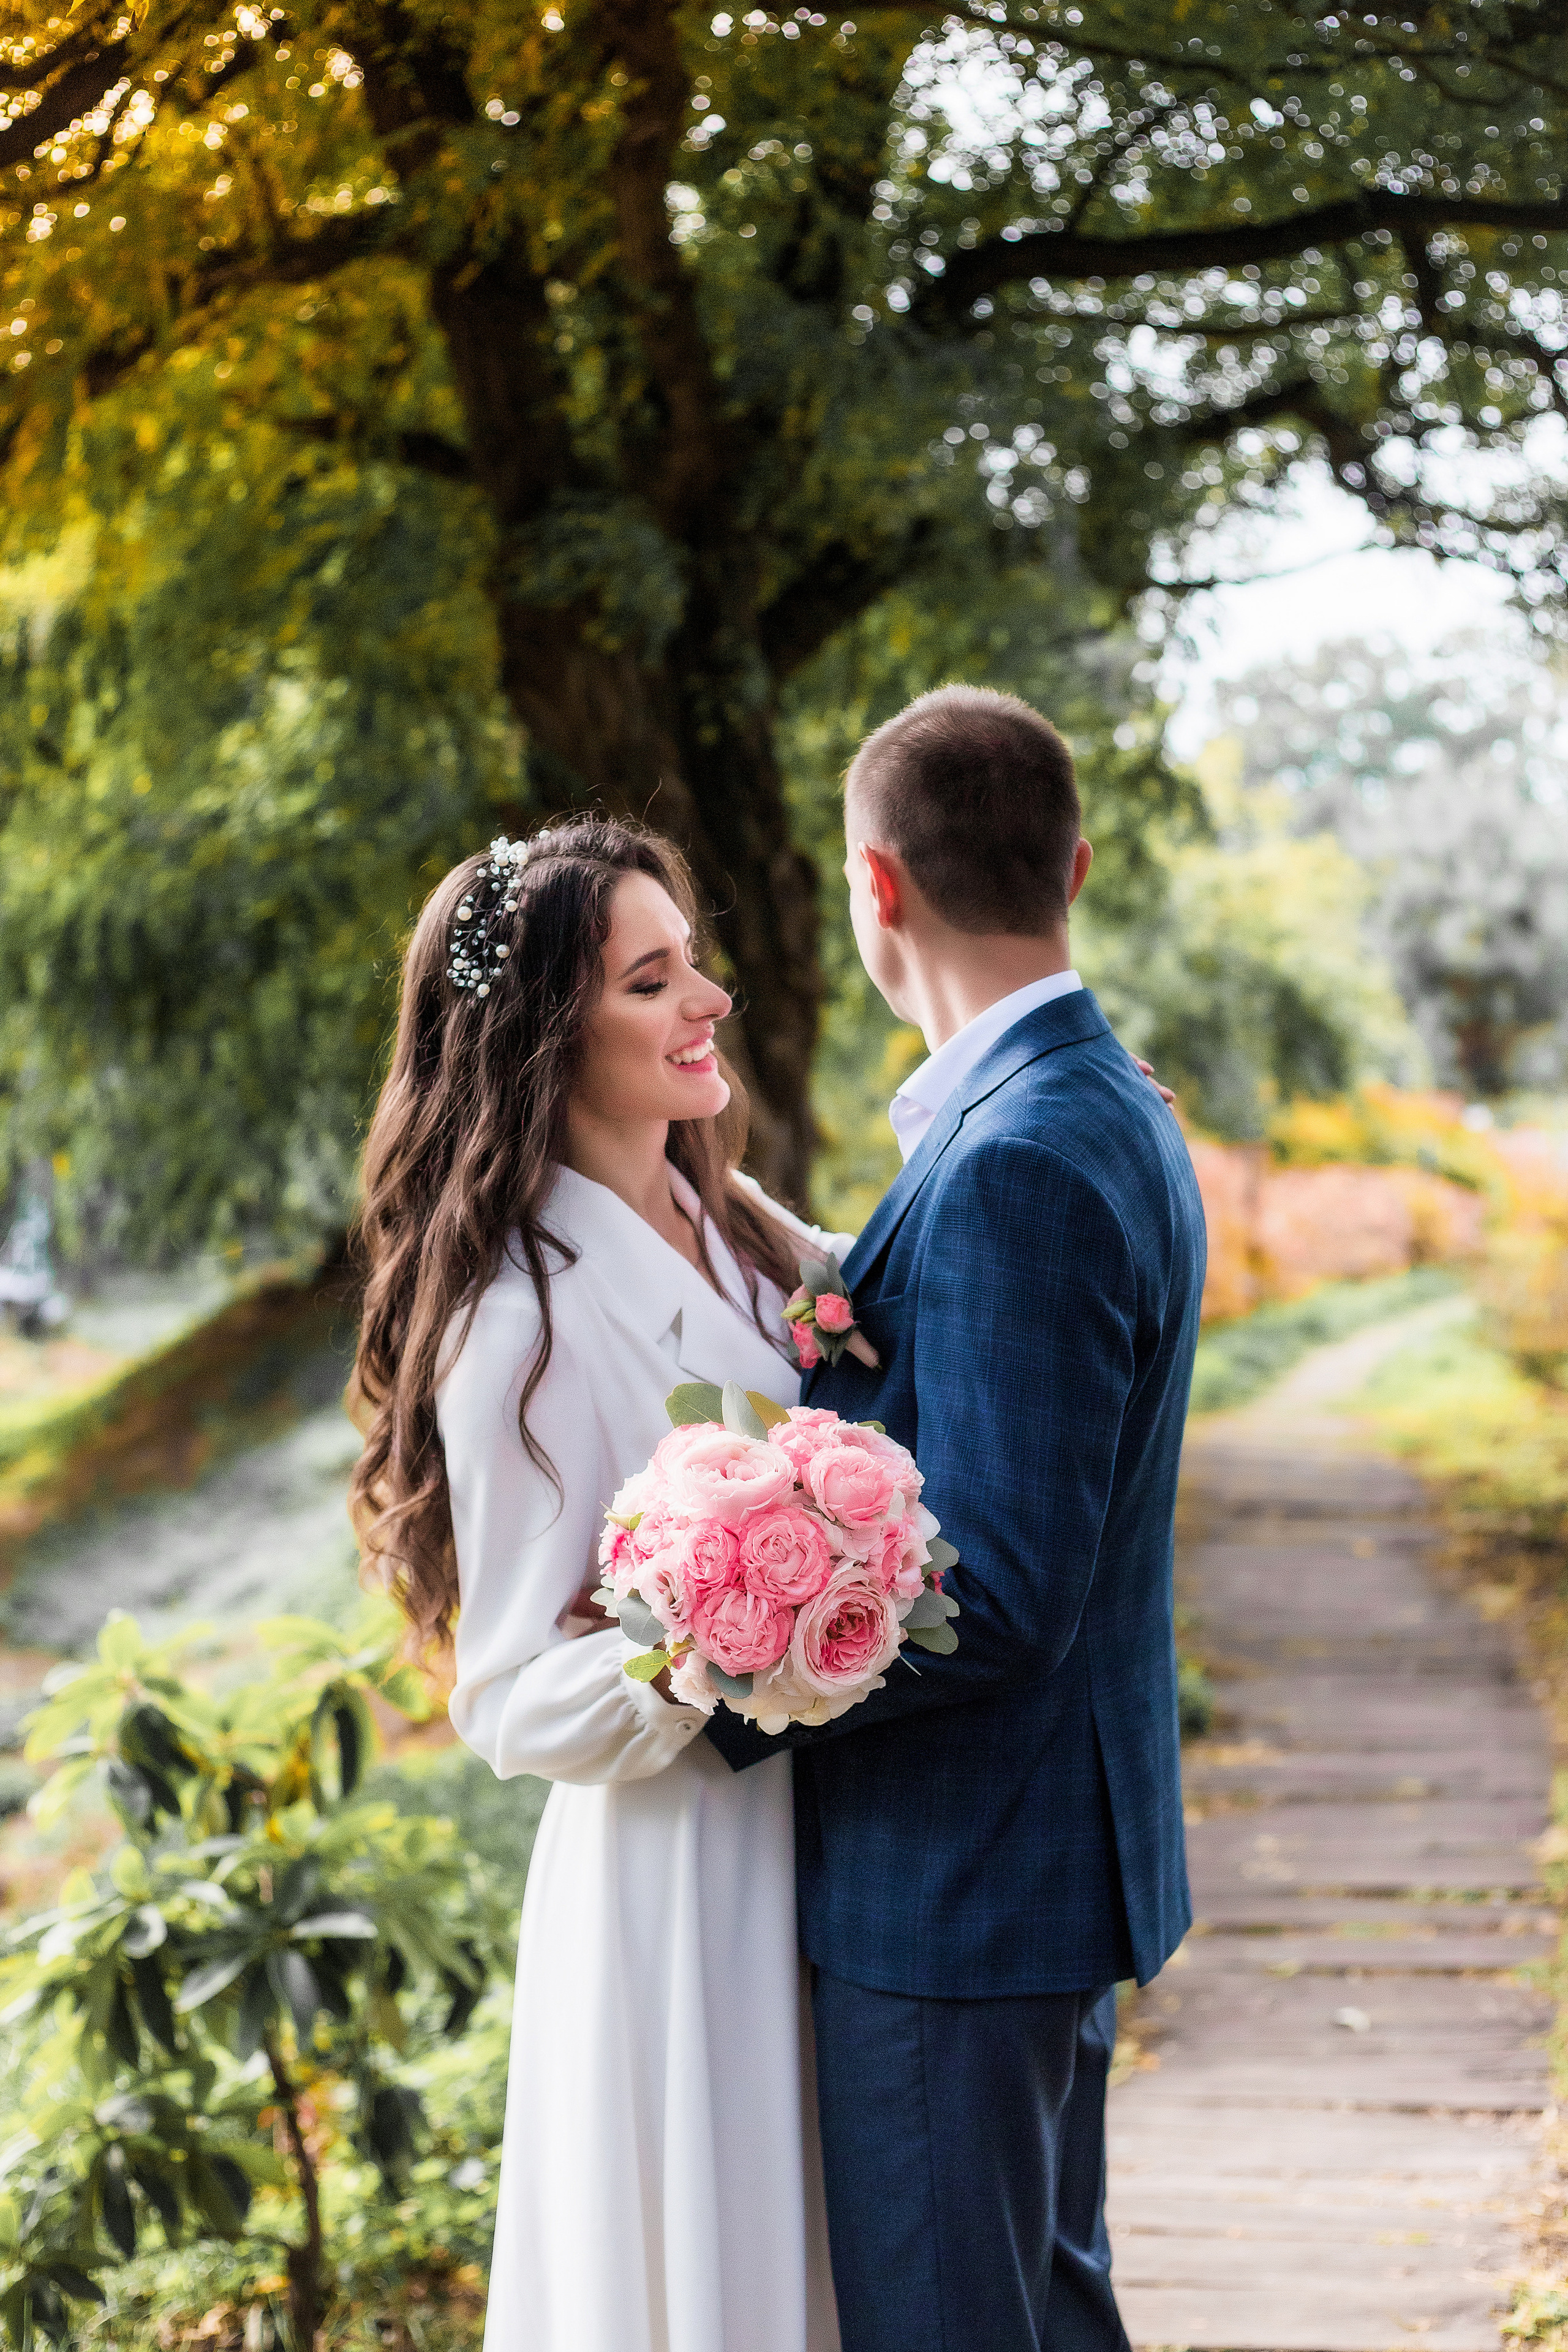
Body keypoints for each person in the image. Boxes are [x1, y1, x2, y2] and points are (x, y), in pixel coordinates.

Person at [706, 683, 1208, 2352]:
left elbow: (994, 1588)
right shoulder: (1099, 1103)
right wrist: (830, 1269)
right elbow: (1000, 1362)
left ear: (876, 885)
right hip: (1040, 1865)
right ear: (1069, 865)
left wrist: (716, 1666)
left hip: (961, 1887)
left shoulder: (1014, 1160)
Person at [349, 818, 846, 2352]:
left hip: (814, 1843)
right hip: (678, 1875)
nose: (708, 1000)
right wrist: (713, 1636)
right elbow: (502, 1694)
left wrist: (1079, 1127)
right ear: (546, 1033)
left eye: (692, 961)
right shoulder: (516, 1326)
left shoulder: (740, 1225)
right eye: (653, 979)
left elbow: (921, 1267)